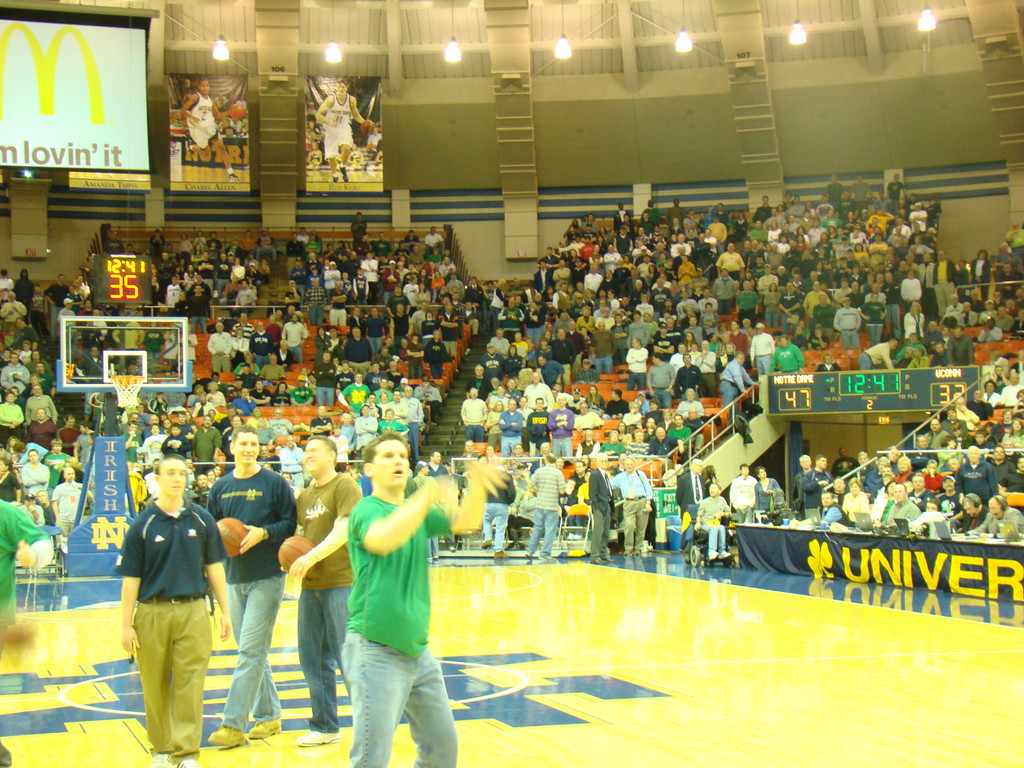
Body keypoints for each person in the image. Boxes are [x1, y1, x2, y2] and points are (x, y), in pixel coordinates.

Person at [343, 433, 504, 768]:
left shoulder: (413, 511)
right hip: (375, 648)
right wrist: (424, 497)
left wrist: (478, 486)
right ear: (369, 469)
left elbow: (464, 521)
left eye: (402, 455)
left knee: (442, 750)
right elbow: (381, 540)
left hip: (418, 651)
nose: (399, 460)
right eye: (388, 456)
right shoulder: (367, 509)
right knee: (371, 759)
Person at [118, 454, 231, 768]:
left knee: (190, 683)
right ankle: (162, 750)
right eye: (171, 473)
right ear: (157, 478)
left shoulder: (202, 519)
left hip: (194, 610)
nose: (178, 478)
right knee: (154, 685)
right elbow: (131, 579)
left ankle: (187, 753)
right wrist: (126, 625)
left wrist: (225, 611)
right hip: (152, 612)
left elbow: (214, 567)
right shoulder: (142, 524)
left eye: (183, 473)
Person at [207, 427, 298, 748]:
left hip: (268, 575)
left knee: (249, 651)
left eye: (253, 444)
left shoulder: (274, 483)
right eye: (242, 444)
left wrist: (264, 533)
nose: (248, 449)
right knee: (253, 651)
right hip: (234, 576)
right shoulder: (220, 486)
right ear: (231, 448)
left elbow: (289, 523)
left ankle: (232, 724)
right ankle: (270, 714)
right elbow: (212, 532)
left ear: (259, 448)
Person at [288, 436, 362, 747]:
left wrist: (310, 556)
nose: (307, 456)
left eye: (313, 451)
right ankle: (325, 726)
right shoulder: (305, 495)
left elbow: (344, 530)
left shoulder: (345, 485)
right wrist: (290, 555)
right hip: (312, 587)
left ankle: (370, 726)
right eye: (305, 452)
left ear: (332, 456)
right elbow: (301, 535)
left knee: (350, 660)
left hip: (341, 584)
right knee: (312, 658)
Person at [180, 78, 239, 182]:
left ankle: (231, 174)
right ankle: (191, 146)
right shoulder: (195, 97)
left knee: (221, 147)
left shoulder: (210, 99)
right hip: (198, 128)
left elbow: (218, 115)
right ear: (199, 87)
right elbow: (182, 110)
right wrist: (192, 117)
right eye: (203, 85)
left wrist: (230, 112)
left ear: (209, 87)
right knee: (206, 154)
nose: (205, 87)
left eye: (207, 86)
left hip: (209, 126)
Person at [316, 80, 367, 183]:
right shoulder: (331, 100)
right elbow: (319, 114)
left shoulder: (351, 100)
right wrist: (329, 122)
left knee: (347, 148)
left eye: (343, 87)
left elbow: (356, 115)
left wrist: (365, 123)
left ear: (346, 88)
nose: (341, 88)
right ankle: (335, 175)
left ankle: (342, 166)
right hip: (331, 128)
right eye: (339, 87)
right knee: (331, 156)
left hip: (344, 126)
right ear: (335, 88)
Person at [526, 453, 565, 563]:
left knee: (537, 528)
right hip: (551, 506)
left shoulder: (539, 471)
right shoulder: (558, 473)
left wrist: (526, 477)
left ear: (545, 460)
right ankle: (545, 554)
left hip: (539, 505)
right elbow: (562, 491)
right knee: (550, 530)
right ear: (555, 461)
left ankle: (530, 551)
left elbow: (530, 486)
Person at [612, 456, 653, 555]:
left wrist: (648, 502)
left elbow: (648, 489)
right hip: (629, 503)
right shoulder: (620, 477)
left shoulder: (641, 474)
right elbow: (609, 485)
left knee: (641, 527)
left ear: (634, 465)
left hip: (642, 501)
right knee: (629, 525)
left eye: (631, 464)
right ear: (624, 466)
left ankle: (638, 548)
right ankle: (628, 549)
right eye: (627, 465)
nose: (629, 466)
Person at [588, 453, 613, 564]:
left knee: (606, 532)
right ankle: (595, 556)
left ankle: (603, 554)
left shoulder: (605, 474)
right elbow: (592, 493)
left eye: (605, 461)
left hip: (607, 505)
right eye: (602, 461)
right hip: (600, 507)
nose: (604, 463)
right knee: (598, 532)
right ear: (597, 462)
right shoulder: (594, 474)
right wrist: (597, 506)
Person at [696, 482, 731, 560]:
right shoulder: (704, 502)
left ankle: (722, 551)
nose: (711, 490)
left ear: (719, 491)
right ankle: (711, 551)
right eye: (710, 488)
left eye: (714, 488)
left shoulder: (722, 500)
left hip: (716, 523)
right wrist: (698, 523)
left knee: (721, 527)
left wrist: (722, 514)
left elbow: (729, 513)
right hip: (706, 524)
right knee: (714, 528)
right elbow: (699, 516)